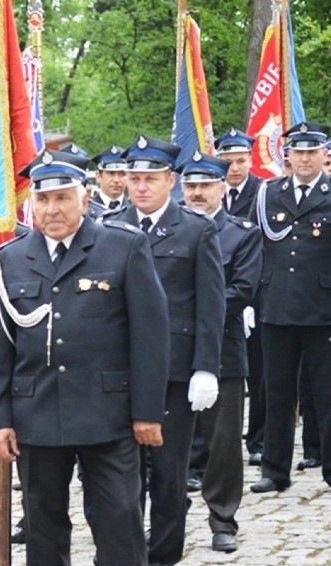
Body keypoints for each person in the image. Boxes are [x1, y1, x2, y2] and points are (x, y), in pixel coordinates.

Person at [0, 148, 170, 566]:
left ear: (85, 198)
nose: (52, 209)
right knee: (42, 526)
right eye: (43, 199)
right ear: (31, 203)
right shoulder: (11, 258)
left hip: (108, 413)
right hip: (37, 415)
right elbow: (0, 347)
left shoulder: (123, 247)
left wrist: (147, 412)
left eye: (63, 197)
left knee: (120, 521)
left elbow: (150, 337)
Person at [104, 135, 225, 566]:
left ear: (169, 180)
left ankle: (165, 554)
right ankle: (127, 551)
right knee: (120, 473)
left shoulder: (195, 229)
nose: (139, 187)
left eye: (150, 179)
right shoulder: (109, 227)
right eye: (133, 178)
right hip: (119, 369)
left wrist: (206, 367)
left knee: (170, 474)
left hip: (174, 371)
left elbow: (211, 302)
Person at [179, 152, 262, 553]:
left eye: (205, 186)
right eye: (190, 186)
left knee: (224, 443)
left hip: (223, 351)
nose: (197, 193)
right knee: (166, 441)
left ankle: (222, 519)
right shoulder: (166, 232)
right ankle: (167, 516)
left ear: (222, 187)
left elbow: (242, 289)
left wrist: (187, 316)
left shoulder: (242, 234)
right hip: (170, 352)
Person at [250, 121, 331, 493]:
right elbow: (254, 250)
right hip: (276, 306)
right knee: (277, 393)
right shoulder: (269, 193)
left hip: (323, 310)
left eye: (311, 151)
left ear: (323, 155)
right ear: (288, 155)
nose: (304, 158)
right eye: (297, 151)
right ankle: (275, 470)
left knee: (326, 392)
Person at [211, 128, 266, 467]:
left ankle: (258, 440)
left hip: (254, 294)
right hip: (220, 297)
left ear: (250, 160)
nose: (234, 167)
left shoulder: (264, 193)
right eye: (228, 161)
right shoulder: (203, 195)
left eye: (240, 160)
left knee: (258, 374)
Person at [91, 145, 128, 210]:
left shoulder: (136, 210)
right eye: (111, 173)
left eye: (122, 174)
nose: (116, 180)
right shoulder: (87, 210)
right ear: (98, 176)